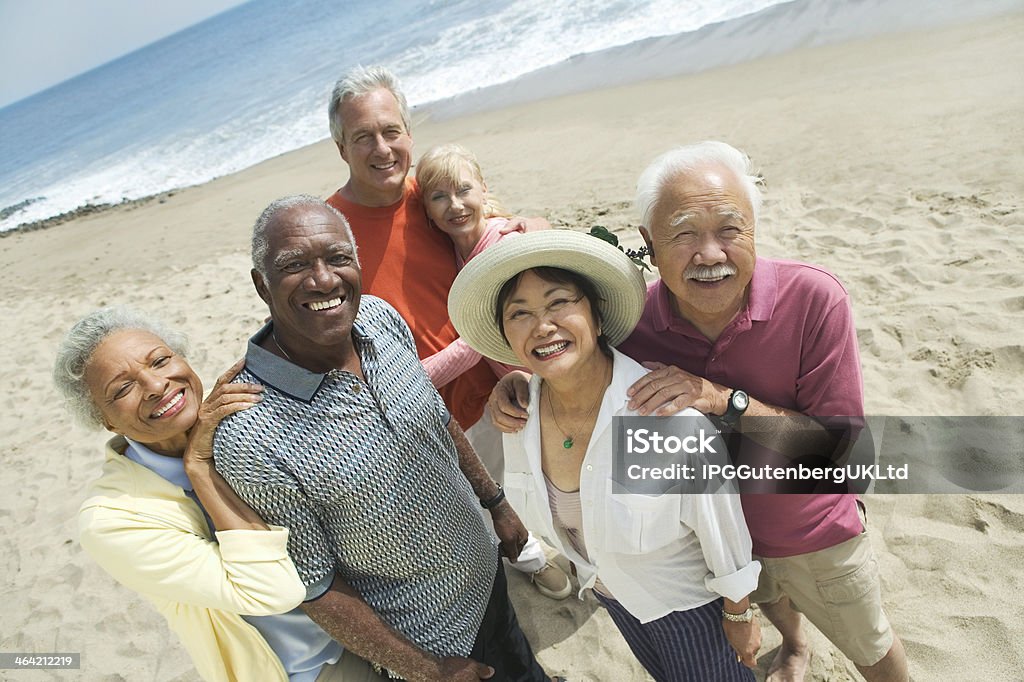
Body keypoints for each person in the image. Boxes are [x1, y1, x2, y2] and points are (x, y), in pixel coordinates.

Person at [490, 142, 909, 682]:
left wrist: (719, 399)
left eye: (730, 230)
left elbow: (839, 450)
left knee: (871, 647)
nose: (709, 254)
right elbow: (575, 359)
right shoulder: (633, 323)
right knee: (778, 615)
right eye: (685, 234)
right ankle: (797, 646)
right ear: (649, 244)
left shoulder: (814, 298)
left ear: (754, 228)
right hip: (709, 551)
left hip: (811, 532)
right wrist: (523, 382)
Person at [212, 195, 557, 682]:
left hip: (488, 577)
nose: (323, 280)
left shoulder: (377, 317)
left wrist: (495, 502)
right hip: (435, 639)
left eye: (337, 258)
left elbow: (436, 420)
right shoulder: (249, 433)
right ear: (261, 286)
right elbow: (315, 587)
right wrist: (427, 669)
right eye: (294, 266)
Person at [448, 230, 762, 682]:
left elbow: (724, 532)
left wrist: (738, 614)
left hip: (688, 607)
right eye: (520, 314)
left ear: (596, 317)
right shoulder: (519, 417)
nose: (542, 326)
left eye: (559, 303)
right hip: (614, 599)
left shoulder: (664, 421)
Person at [325, 65, 569, 600]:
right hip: (416, 413)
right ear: (341, 147)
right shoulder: (330, 228)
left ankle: (528, 552)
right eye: (363, 137)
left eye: (391, 131)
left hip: (492, 387)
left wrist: (534, 225)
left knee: (516, 485)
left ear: (409, 134)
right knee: (466, 517)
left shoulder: (431, 194)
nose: (382, 148)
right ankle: (505, 568)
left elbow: (496, 224)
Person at [55, 307, 376, 681]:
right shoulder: (113, 521)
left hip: (386, 617)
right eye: (123, 388)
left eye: (160, 361)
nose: (156, 386)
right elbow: (272, 591)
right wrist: (200, 467)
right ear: (104, 419)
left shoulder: (244, 414)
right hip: (314, 670)